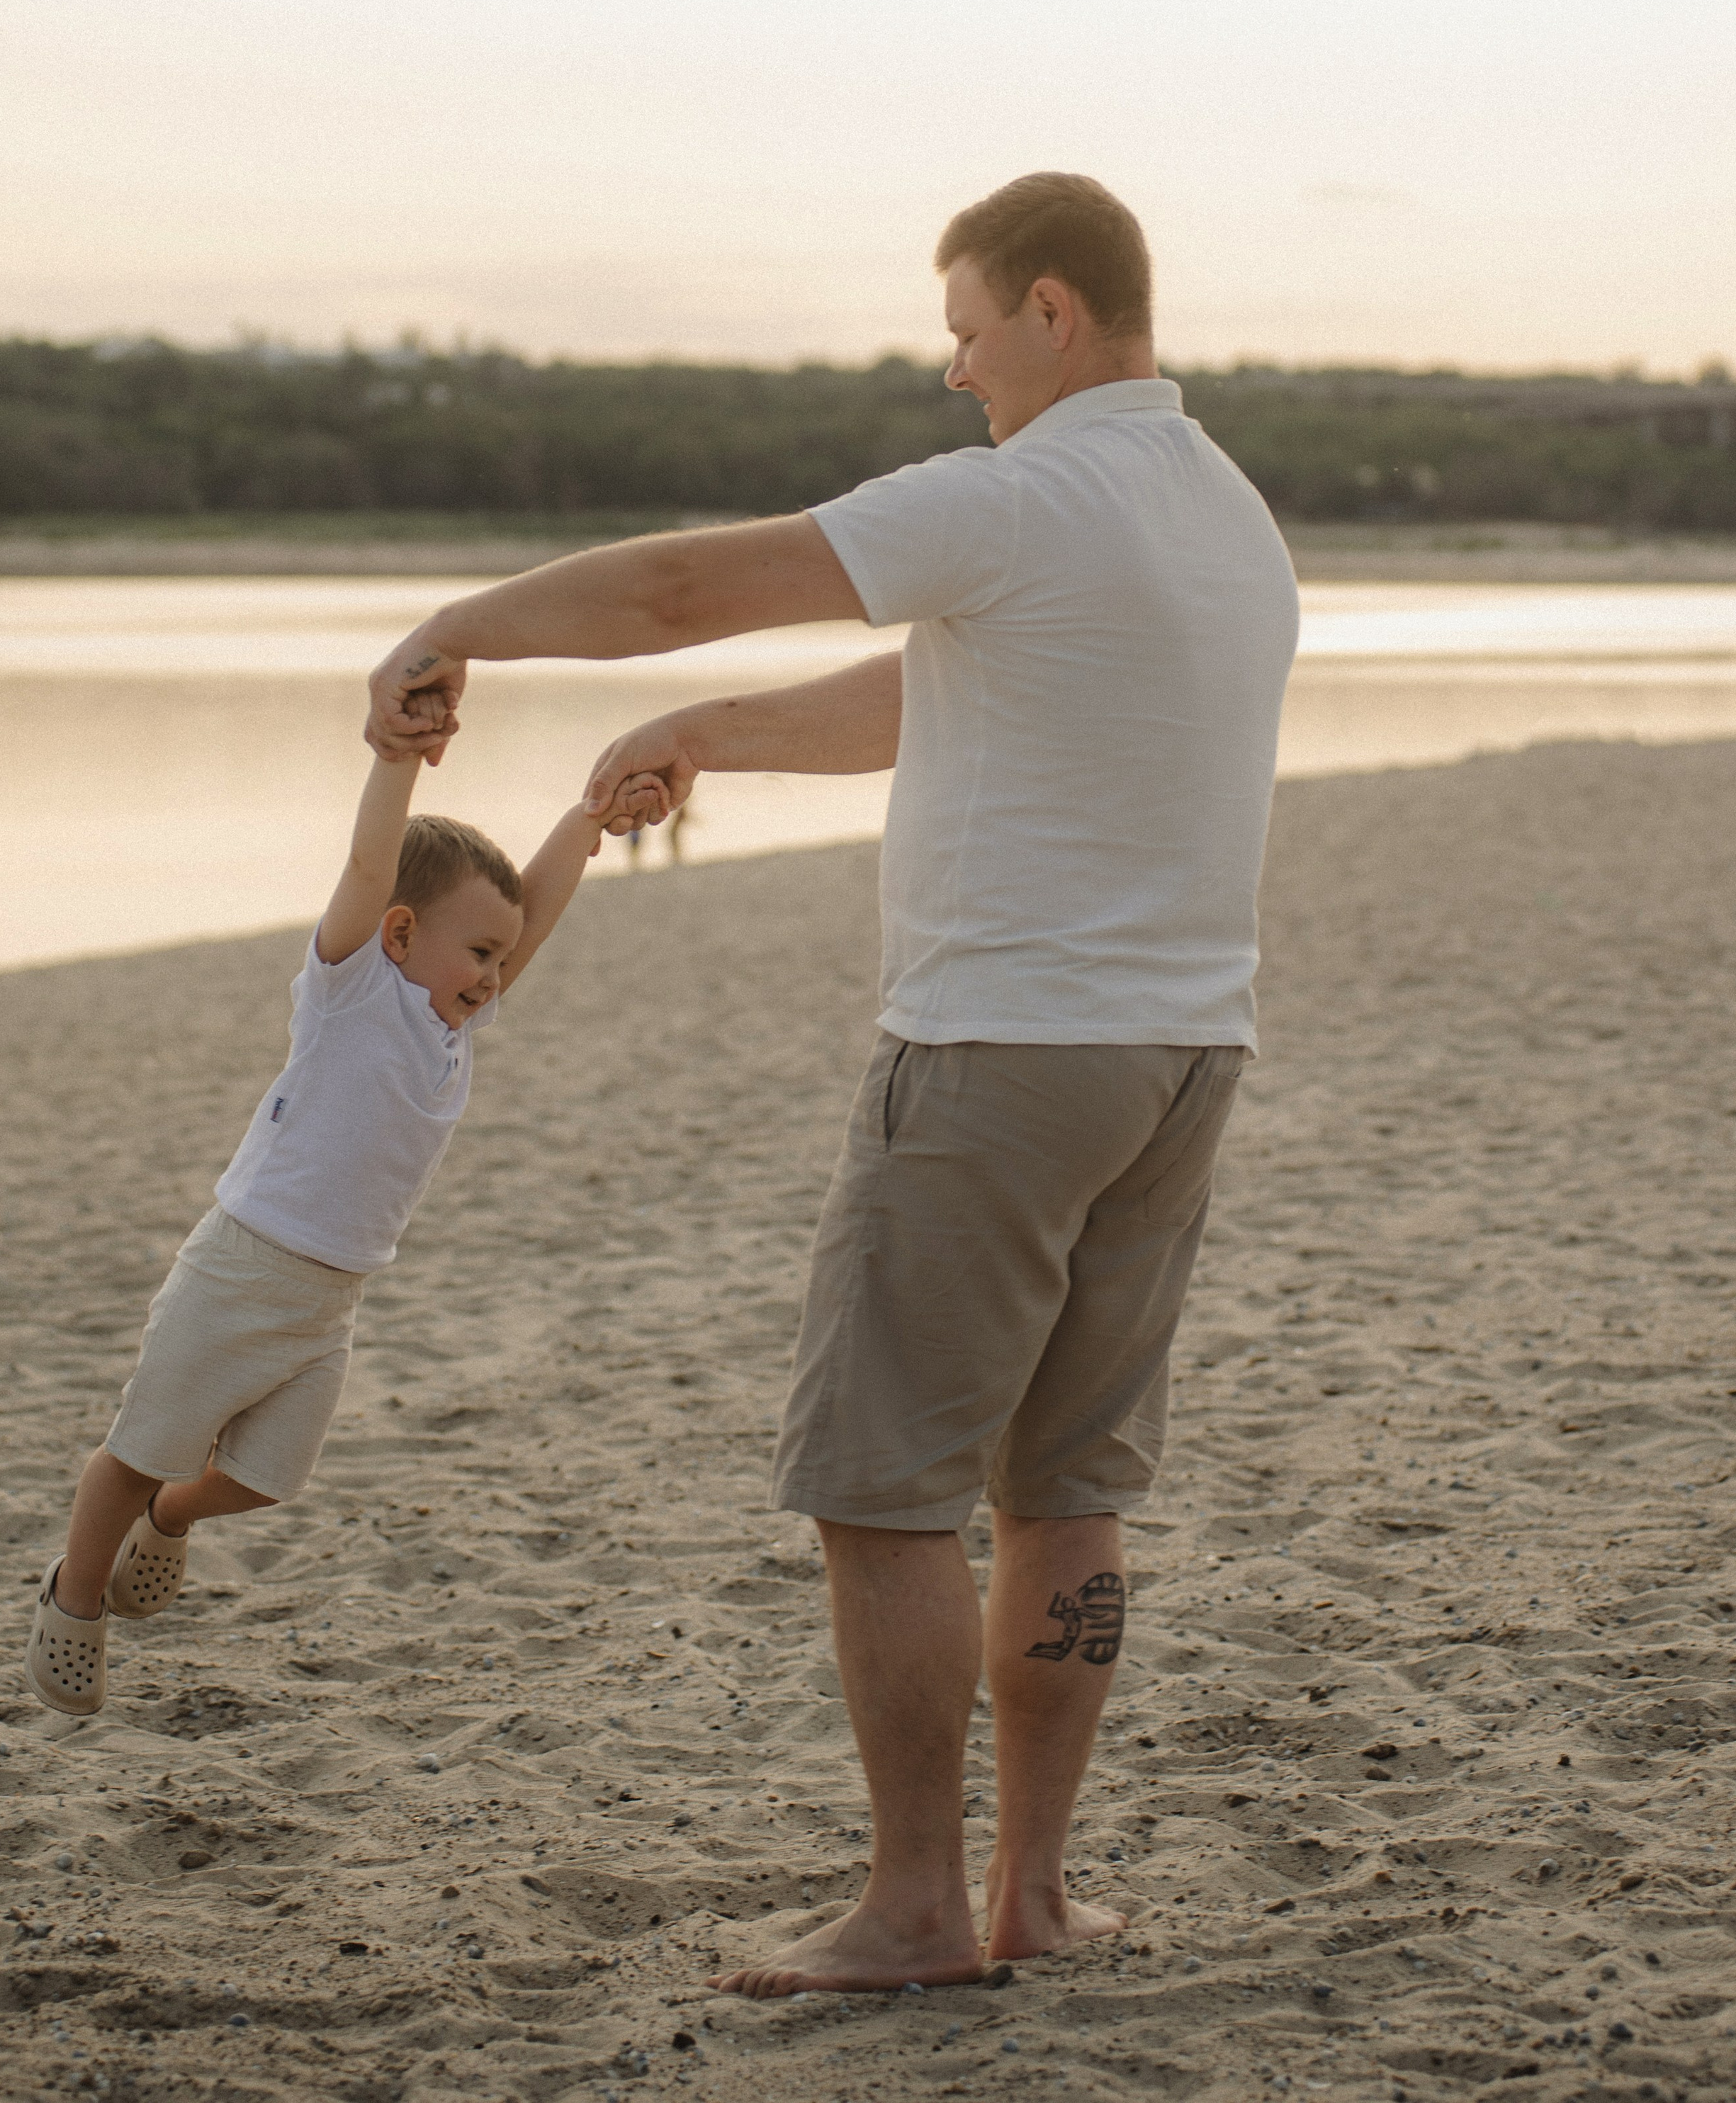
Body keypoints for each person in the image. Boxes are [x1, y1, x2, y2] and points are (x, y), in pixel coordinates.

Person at [363, 172, 1300, 1996]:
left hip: (996, 1058)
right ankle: (1030, 1893)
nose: (952, 371)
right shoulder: (1222, 515)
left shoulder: (1025, 494)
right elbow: (955, 701)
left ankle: (910, 1911)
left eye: (961, 329)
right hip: (1181, 1057)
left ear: (1048, 307)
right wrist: (715, 738)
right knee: (1063, 1493)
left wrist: (454, 628)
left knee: (881, 1493)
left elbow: (679, 582)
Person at [25, 745, 658, 1717]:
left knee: (265, 1481)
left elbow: (529, 909)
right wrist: (397, 757)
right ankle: (73, 1599)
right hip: (240, 1270)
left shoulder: (451, 1026)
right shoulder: (352, 990)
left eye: (501, 957)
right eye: (479, 954)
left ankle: (172, 1517)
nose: (496, 976)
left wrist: (587, 818)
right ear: (400, 933)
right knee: (138, 1448)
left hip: (331, 1300)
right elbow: (371, 865)